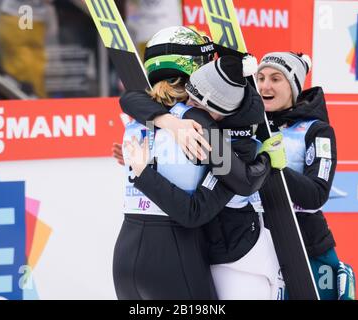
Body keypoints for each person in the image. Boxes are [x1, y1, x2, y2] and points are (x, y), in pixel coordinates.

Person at [113, 26, 271, 300]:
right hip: (174, 251)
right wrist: (265, 157)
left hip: (126, 252)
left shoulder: (141, 112)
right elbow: (239, 180)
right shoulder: (200, 122)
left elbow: (129, 98)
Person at [255, 52, 356, 300]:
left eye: (276, 79)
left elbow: (316, 194)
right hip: (253, 243)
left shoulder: (316, 130)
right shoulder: (246, 126)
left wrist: (274, 166)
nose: (265, 85)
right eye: (260, 77)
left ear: (293, 87)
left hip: (306, 243)